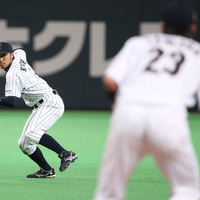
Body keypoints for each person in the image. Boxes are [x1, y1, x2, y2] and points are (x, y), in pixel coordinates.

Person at [93, 0, 200, 199]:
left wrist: (117, 105)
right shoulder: (197, 52)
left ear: (161, 25)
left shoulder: (139, 43)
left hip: (128, 113)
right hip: (169, 119)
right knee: (188, 190)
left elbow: (110, 81)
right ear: (192, 28)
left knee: (109, 192)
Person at [0, 43, 77, 178]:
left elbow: (12, 102)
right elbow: (21, 50)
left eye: (3, 55)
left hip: (51, 103)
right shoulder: (18, 56)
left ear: (11, 55)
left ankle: (65, 153)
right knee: (24, 144)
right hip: (41, 105)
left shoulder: (13, 75)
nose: (1, 59)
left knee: (32, 132)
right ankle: (46, 170)